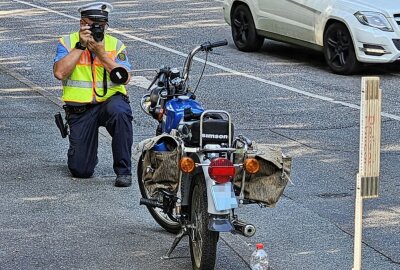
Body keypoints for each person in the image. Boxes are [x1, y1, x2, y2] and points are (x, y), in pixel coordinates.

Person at [53, 2, 133, 187]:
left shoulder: (115, 44)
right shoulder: (66, 42)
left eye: (102, 25)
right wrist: (80, 47)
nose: (98, 28)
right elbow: (60, 73)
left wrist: (102, 54)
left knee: (121, 112)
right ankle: (83, 152)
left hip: (109, 103)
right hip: (80, 110)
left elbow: (125, 78)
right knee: (81, 171)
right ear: (82, 23)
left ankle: (123, 171)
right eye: (93, 24)